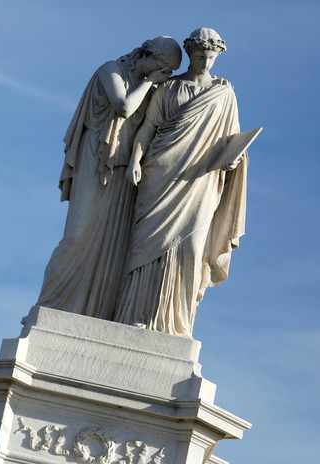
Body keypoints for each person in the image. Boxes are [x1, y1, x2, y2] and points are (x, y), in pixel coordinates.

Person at [37, 37, 182, 318]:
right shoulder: (111, 70)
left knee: (111, 248)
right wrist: (150, 81)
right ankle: (49, 305)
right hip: (96, 159)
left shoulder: (152, 89)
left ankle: (93, 312)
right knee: (77, 237)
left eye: (169, 73)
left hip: (124, 169)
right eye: (163, 69)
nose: (165, 77)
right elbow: (124, 107)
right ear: (148, 56)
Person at [116, 28, 248, 336]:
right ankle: (134, 315)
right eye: (199, 55)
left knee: (190, 248)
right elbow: (148, 128)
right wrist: (135, 160)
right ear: (190, 54)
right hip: (159, 174)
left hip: (200, 181)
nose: (204, 61)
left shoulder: (224, 93)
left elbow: (233, 140)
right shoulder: (169, 87)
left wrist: (233, 160)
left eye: (210, 56)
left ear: (218, 56)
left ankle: (177, 324)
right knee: (146, 247)